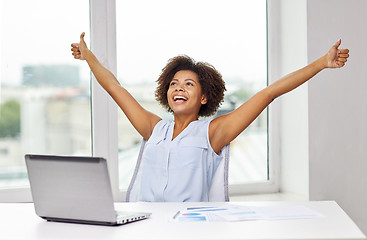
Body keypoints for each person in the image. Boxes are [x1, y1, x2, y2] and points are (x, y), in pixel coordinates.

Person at [71, 32, 349, 202]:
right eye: (174, 83)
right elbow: (113, 86)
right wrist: (89, 56)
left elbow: (269, 93)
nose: (179, 88)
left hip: (193, 231)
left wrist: (321, 63)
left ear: (204, 97)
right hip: (148, 228)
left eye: (189, 84)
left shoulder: (212, 133)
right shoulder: (153, 129)